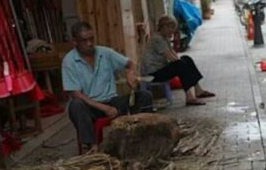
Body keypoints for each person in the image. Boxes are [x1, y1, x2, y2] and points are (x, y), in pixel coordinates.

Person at [62, 21, 154, 153]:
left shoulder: (105, 53)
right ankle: (91, 146)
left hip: (112, 102)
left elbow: (130, 64)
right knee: (75, 105)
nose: (89, 43)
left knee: (144, 96)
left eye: (91, 39)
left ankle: (140, 137)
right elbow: (76, 94)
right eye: (84, 40)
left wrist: (130, 74)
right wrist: (104, 108)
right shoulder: (69, 61)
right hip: (90, 107)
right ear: (75, 42)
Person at [141, 16, 215, 106]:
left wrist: (184, 63)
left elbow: (174, 54)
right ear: (164, 26)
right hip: (152, 74)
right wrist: (183, 65)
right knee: (180, 65)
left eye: (173, 28)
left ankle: (198, 90)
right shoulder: (157, 39)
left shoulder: (164, 38)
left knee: (186, 58)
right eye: (170, 28)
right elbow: (170, 57)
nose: (172, 31)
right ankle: (189, 97)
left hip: (159, 69)